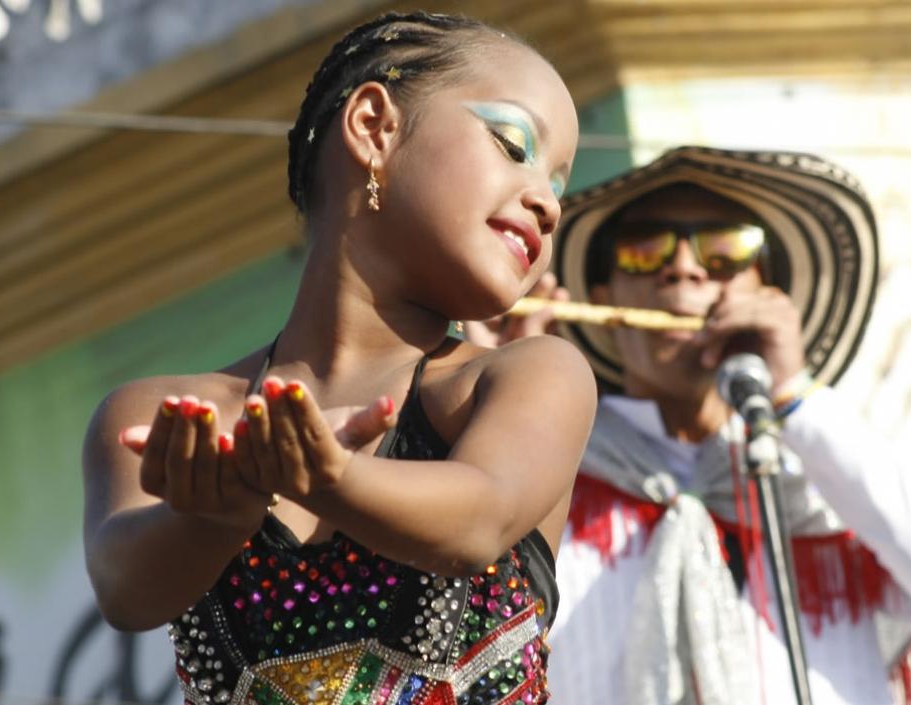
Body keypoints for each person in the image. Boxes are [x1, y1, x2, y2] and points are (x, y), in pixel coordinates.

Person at [80, 12, 595, 705]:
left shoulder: (527, 376)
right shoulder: (164, 414)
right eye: (513, 144)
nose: (546, 203)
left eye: (558, 186)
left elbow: (478, 517)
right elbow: (125, 587)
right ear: (374, 127)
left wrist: (330, 478)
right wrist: (218, 511)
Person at [476, 147, 911, 705]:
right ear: (602, 297)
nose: (683, 267)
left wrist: (795, 395)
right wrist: (502, 412)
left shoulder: (824, 480)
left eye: (725, 249)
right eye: (643, 249)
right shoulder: (553, 475)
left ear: (768, 291)